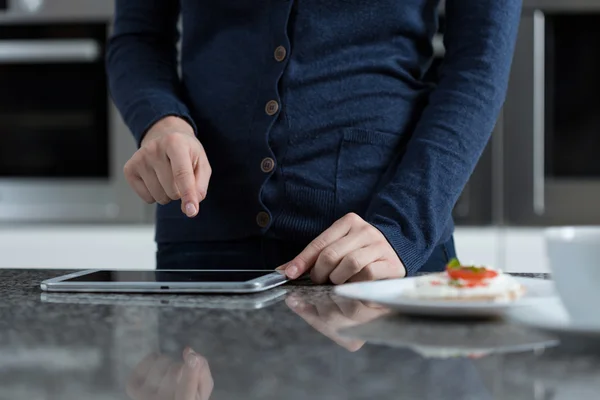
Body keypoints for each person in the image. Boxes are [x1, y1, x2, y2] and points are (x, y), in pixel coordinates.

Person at [106, 1, 522, 283]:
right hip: (205, 240)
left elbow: (480, 62)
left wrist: (404, 227)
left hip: (382, 247)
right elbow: (138, 37)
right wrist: (162, 122)